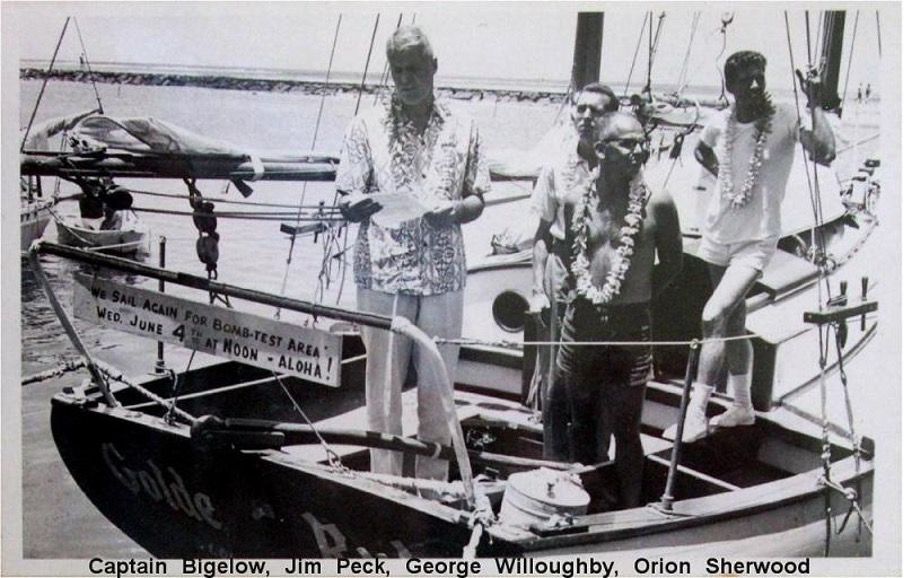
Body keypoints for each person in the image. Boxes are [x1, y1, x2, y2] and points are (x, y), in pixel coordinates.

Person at [335, 25, 490, 480]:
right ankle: (386, 485)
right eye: (398, 70)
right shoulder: (364, 126)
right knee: (382, 396)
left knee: (438, 395)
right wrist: (354, 207)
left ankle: (433, 490)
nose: (406, 78)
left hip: (442, 275)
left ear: (434, 67)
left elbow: (478, 195)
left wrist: (459, 211)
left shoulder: (465, 126)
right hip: (381, 274)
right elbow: (346, 195)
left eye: (415, 69)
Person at [665, 51, 835, 443]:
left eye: (761, 77)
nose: (756, 85)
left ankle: (695, 412)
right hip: (716, 236)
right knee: (734, 323)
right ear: (731, 86)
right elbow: (701, 151)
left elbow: (825, 152)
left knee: (713, 317)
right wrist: (728, 182)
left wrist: (814, 101)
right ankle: (741, 406)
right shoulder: (718, 124)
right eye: (747, 80)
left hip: (757, 241)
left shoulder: (786, 118)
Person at [552, 111, 682, 508]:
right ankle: (580, 502)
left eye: (642, 142)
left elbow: (673, 266)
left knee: (627, 428)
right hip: (582, 323)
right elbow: (563, 254)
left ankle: (629, 509)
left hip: (631, 327)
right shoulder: (575, 200)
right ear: (602, 150)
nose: (639, 151)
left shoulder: (658, 203)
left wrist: (635, 297)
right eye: (628, 143)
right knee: (580, 421)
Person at [527, 83, 620, 461]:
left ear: (611, 117)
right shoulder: (555, 169)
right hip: (563, 274)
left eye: (595, 111)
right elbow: (541, 236)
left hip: (608, 280)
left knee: (600, 377)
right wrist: (537, 288)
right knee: (558, 379)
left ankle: (595, 459)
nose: (585, 117)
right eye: (580, 109)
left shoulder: (624, 165)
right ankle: (554, 461)